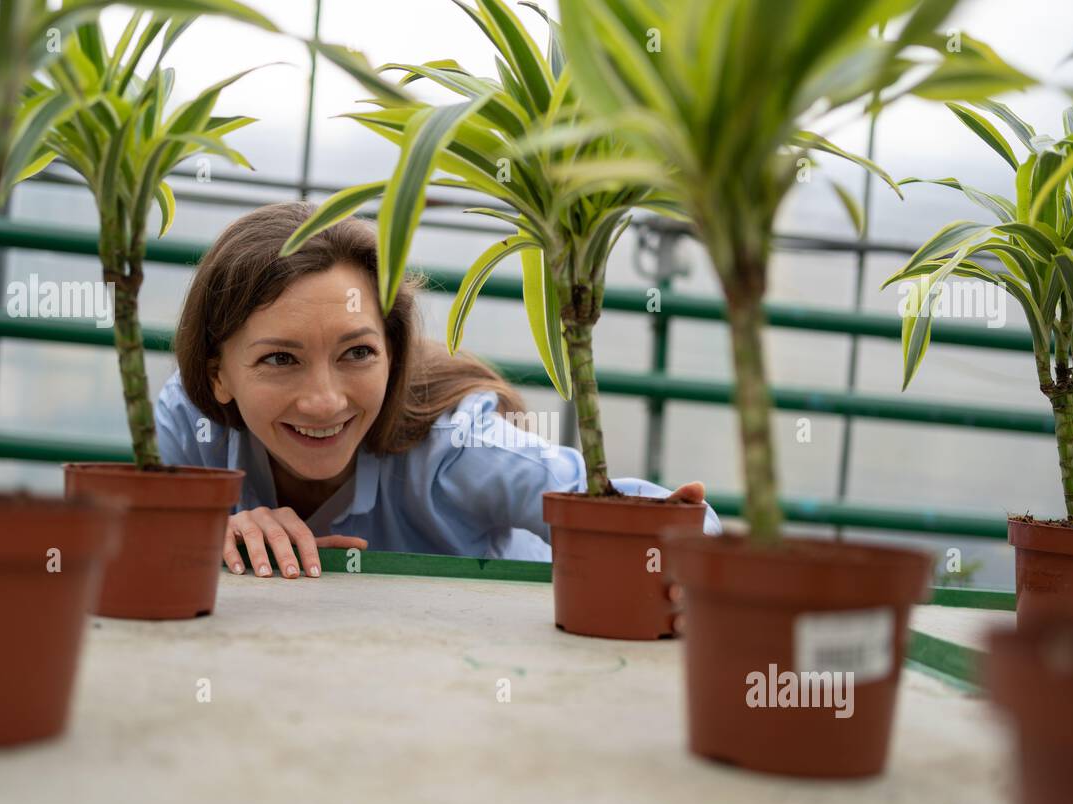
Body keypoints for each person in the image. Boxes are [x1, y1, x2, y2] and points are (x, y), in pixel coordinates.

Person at [155, 202, 721, 579]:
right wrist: (217, 540)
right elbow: (155, 556)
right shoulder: (188, 424)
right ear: (216, 375)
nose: (324, 400)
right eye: (280, 359)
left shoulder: (459, 450)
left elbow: (687, 525)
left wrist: (680, 554)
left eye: (358, 353)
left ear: (394, 353)